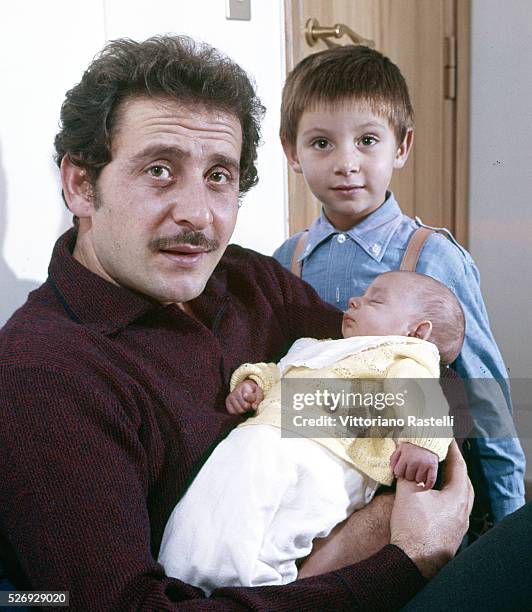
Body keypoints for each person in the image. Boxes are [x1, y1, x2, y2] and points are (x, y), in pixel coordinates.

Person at [0, 33, 475, 611]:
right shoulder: (47, 376)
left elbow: (436, 389)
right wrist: (399, 551)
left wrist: (306, 413)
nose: (198, 215)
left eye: (219, 176)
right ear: (80, 184)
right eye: (159, 170)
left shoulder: (248, 279)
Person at [273, 44, 525, 526]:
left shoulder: (432, 256)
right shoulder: (288, 260)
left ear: (402, 146)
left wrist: (510, 519)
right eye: (321, 143)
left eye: (367, 140)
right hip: (310, 487)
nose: (346, 163)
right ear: (293, 151)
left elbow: (484, 390)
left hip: (405, 483)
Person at [158, 270, 463, 594]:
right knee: (216, 504)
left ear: (416, 331)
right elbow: (280, 370)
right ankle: (187, 576)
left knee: (282, 528)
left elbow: (424, 399)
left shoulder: (406, 356)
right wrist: (254, 383)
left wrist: (422, 444)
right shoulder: (318, 346)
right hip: (259, 437)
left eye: (375, 300)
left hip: (331, 457)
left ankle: (252, 588)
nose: (354, 300)